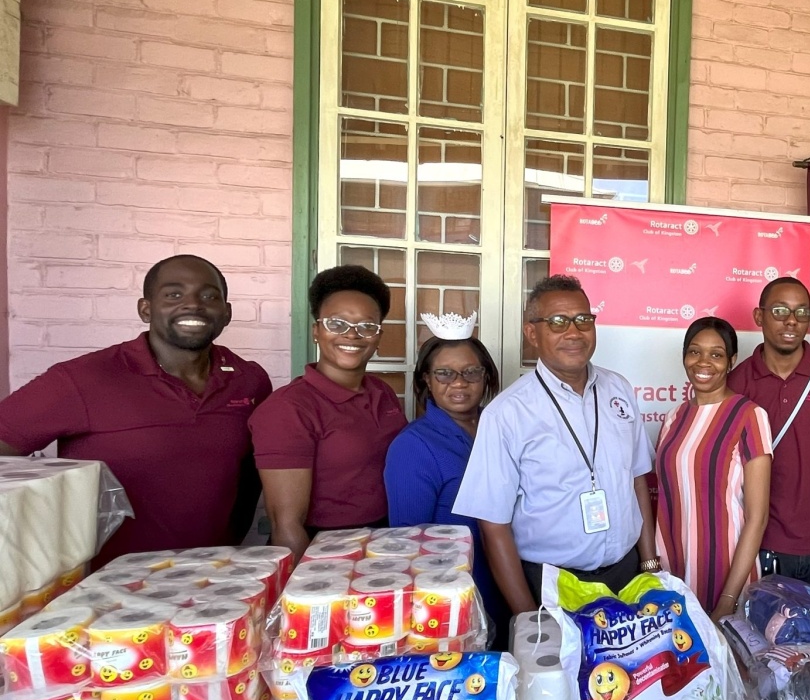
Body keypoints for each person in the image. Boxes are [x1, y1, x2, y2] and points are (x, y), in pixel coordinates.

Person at [0, 255, 272, 565]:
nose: (193, 304)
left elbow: (253, 471)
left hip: (212, 574)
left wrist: (233, 539)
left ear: (226, 313)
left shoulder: (249, 380)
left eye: (209, 296)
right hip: (106, 584)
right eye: (173, 294)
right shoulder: (84, 378)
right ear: (146, 309)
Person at [452, 274, 657, 613]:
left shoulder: (618, 389)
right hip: (552, 584)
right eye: (558, 322)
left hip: (627, 574)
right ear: (532, 333)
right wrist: (529, 616)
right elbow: (494, 525)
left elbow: (637, 479)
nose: (574, 332)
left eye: (583, 320)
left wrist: (649, 566)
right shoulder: (507, 414)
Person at [249, 265, 407, 561]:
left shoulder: (382, 393)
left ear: (378, 336)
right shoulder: (288, 409)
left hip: (385, 542)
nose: (352, 335)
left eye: (366, 326)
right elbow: (286, 525)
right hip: (324, 551)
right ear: (316, 331)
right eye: (337, 324)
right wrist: (306, 593)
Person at [727, 277, 810, 599]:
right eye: (780, 311)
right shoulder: (738, 380)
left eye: (802, 312)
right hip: (757, 545)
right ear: (759, 317)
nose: (791, 321)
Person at [383, 314, 507, 639]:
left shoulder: (501, 429)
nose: (459, 382)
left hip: (511, 582)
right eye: (444, 373)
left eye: (471, 372)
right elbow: (409, 546)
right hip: (456, 600)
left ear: (486, 376)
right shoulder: (413, 446)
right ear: (426, 378)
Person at [655, 317, 772, 618]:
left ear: (732, 361)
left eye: (716, 354)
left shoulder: (749, 416)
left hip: (726, 573)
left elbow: (757, 517)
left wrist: (729, 597)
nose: (703, 362)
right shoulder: (673, 417)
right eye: (695, 352)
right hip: (674, 573)